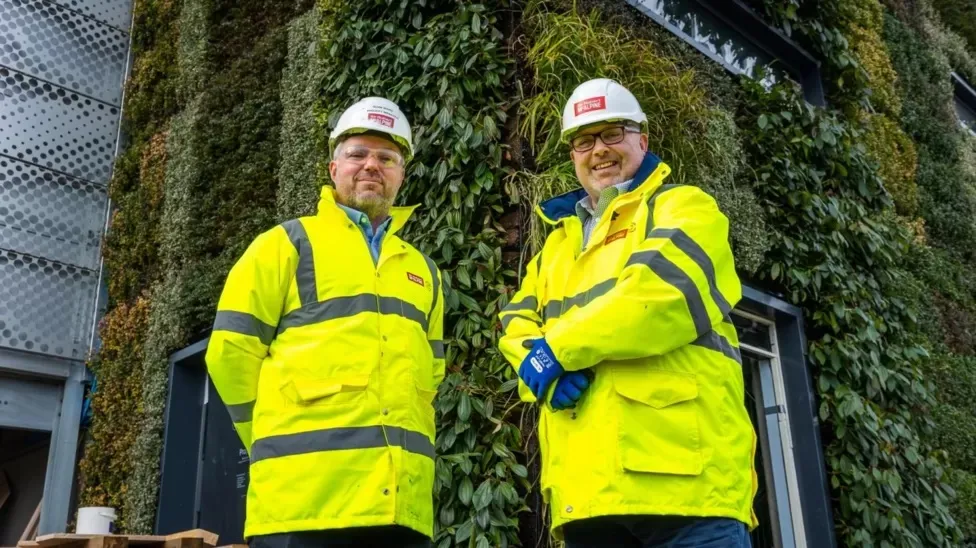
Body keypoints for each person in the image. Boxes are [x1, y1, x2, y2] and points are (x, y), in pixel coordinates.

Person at [498, 78, 758, 547]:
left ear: (643, 138)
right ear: (572, 155)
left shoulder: (684, 207)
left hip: (686, 489)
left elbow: (659, 296)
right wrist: (540, 370)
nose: (598, 150)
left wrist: (557, 350)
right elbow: (516, 322)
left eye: (612, 134)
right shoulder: (557, 245)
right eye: (583, 140)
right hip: (589, 493)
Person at [206, 97, 444, 548]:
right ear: (334, 168)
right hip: (301, 507)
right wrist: (267, 441)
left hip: (398, 511)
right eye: (358, 154)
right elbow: (230, 355)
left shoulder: (424, 272)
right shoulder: (284, 246)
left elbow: (430, 378)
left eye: (386, 158)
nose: (371, 165)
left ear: (401, 176)